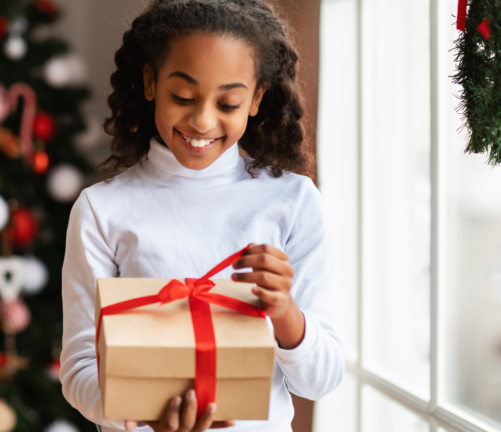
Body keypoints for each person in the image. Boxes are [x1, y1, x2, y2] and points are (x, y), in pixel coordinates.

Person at [59, 1, 344, 431]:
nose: (203, 120)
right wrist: (142, 412)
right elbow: (80, 369)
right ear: (151, 82)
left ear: (256, 99)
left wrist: (284, 311)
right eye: (184, 97)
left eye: (228, 103)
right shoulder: (102, 210)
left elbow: (320, 380)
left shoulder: (293, 201)